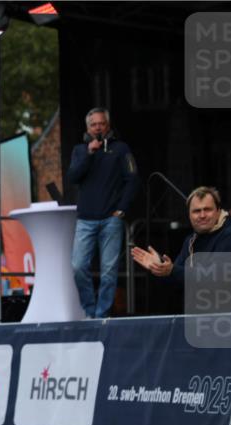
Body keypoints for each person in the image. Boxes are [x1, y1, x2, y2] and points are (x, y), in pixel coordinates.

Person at [68, 107, 139, 318]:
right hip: (85, 219)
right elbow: (72, 177)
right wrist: (89, 153)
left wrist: (122, 209)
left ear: (108, 125)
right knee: (78, 266)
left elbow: (133, 179)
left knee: (109, 271)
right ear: (87, 128)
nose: (98, 127)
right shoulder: (80, 150)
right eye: (94, 124)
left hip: (111, 219)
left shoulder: (121, 149)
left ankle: (101, 315)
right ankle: (90, 312)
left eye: (101, 123)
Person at [132, 186, 231, 289]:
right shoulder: (190, 241)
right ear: (189, 215)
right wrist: (159, 267)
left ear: (218, 212)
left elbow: (215, 279)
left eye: (207, 209)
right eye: (196, 211)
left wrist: (172, 270)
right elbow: (178, 279)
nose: (202, 215)